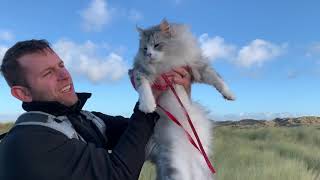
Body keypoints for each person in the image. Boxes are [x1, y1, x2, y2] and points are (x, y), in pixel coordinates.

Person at [0, 39, 191, 180]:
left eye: (61, 65)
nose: (65, 75)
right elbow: (117, 175)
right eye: (48, 73)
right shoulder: (27, 142)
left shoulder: (85, 119)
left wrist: (175, 91)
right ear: (22, 94)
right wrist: (147, 98)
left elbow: (148, 132)